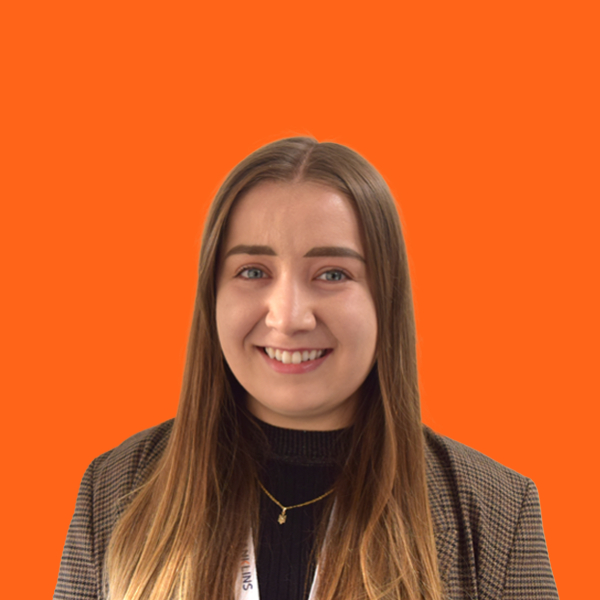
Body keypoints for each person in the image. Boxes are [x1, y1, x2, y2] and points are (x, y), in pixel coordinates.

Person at [54, 137, 558, 600]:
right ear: (212, 296)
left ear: (385, 298)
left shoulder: (495, 511)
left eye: (333, 274)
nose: (288, 317)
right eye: (253, 271)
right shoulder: (114, 488)